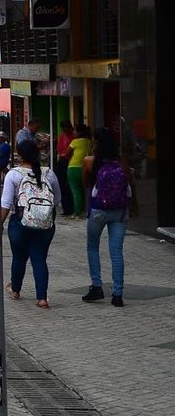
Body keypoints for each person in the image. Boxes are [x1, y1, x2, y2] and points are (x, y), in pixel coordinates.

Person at [1, 138, 61, 309]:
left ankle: (16, 289)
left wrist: (0, 224)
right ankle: (42, 298)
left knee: (19, 257)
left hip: (20, 223)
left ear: (20, 156)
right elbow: (57, 199)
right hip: (46, 224)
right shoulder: (49, 173)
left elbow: (5, 204)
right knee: (39, 258)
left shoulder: (14, 174)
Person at [82, 128, 133, 307]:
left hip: (98, 211)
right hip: (119, 211)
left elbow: (86, 183)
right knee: (117, 253)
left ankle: (97, 286)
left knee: (93, 247)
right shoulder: (122, 162)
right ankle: (117, 294)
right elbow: (129, 183)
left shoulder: (90, 161)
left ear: (96, 143)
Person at [64, 123, 93, 219]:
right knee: (84, 189)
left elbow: (67, 153)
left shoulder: (75, 142)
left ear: (79, 132)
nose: (73, 132)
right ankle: (86, 210)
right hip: (86, 166)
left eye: (75, 130)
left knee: (75, 190)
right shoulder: (89, 142)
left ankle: (77, 213)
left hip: (73, 167)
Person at [54, 119, 75, 217]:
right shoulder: (62, 135)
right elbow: (59, 150)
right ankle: (66, 208)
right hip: (63, 161)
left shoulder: (74, 136)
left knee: (68, 186)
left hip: (70, 161)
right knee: (62, 185)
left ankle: (71, 208)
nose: (65, 130)